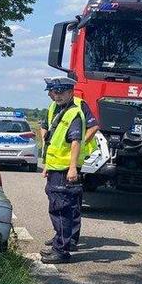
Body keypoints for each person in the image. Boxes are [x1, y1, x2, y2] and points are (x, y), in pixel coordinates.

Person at [39, 86, 99, 254]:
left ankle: (68, 240)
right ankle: (62, 237)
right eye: (51, 92)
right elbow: (46, 129)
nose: (53, 95)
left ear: (70, 92)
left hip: (70, 161)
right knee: (59, 203)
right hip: (56, 162)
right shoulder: (53, 107)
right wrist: (47, 161)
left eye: (57, 92)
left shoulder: (78, 106)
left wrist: (80, 146)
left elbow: (93, 127)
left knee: (68, 204)